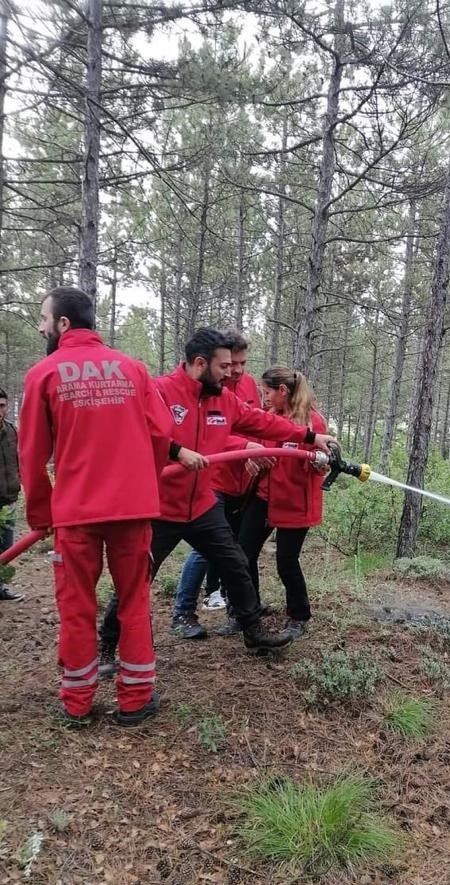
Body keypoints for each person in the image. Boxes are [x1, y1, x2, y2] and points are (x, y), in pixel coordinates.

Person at [99, 329, 334, 670]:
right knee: (136, 576)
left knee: (235, 563)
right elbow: (132, 433)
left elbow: (263, 423)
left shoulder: (224, 399)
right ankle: (106, 647)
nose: (230, 373)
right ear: (199, 363)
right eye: (223, 366)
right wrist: (177, 451)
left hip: (202, 505)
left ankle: (253, 630)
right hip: (162, 506)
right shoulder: (161, 392)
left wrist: (310, 435)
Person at [19, 286, 181, 727]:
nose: (40, 328)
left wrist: (40, 513)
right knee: (133, 601)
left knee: (77, 607)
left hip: (76, 514)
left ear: (63, 324)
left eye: (43, 319)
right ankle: (136, 699)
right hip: (132, 511)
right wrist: (141, 485)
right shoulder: (133, 369)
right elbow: (161, 432)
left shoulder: (43, 374)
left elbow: (32, 455)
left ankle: (77, 702)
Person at [172, 328, 271, 637]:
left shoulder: (248, 385)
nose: (237, 370)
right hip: (212, 481)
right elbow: (209, 433)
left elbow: (255, 421)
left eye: (242, 363)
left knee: (235, 553)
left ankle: (243, 617)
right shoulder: (201, 388)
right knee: (205, 551)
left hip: (246, 482)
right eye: (231, 364)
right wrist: (244, 448)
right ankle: (183, 612)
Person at [237, 366, 328, 645]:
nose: (263, 398)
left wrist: (316, 462)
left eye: (267, 392)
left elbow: (321, 463)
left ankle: (299, 615)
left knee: (286, 561)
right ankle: (250, 612)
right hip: (265, 497)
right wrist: (251, 458)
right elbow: (255, 447)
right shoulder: (268, 419)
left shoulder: (313, 422)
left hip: (294, 503)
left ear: (283, 391)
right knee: (243, 554)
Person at [0, 386, 23, 601]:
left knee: (6, 548)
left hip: (9, 500)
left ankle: (1, 588)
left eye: (2, 406)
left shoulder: (11, 431)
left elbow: (18, 460)